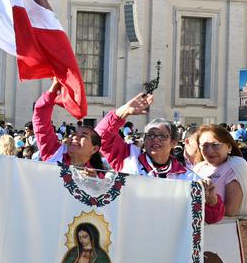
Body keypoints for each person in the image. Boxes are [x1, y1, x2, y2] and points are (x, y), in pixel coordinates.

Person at [95, 91, 224, 223]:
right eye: (150, 135)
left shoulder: (188, 177)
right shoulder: (128, 156)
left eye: (162, 136)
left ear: (173, 142)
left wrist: (211, 200)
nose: (155, 140)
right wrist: (122, 113)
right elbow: (99, 139)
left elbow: (212, 218)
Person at [191, 124, 247, 217]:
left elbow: (230, 211)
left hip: (229, 228)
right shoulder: (198, 168)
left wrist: (212, 202)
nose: (209, 151)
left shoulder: (236, 164)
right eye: (204, 146)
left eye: (215, 145)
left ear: (229, 147)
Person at [33, 81, 104, 170]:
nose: (75, 137)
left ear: (94, 149)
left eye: (83, 136)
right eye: (74, 134)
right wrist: (54, 87)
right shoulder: (54, 152)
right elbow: (41, 120)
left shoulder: (99, 177)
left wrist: (93, 181)